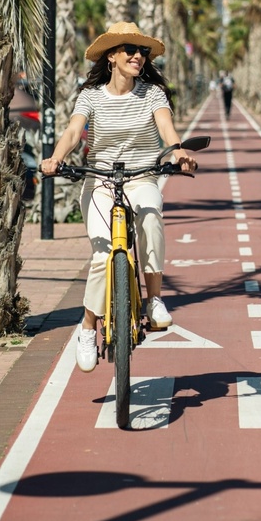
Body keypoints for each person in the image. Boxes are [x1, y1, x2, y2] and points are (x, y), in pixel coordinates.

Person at [41, 22, 197, 373]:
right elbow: (72, 130)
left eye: (142, 51)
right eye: (130, 50)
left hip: (141, 177)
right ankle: (86, 328)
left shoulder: (153, 93)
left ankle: (154, 300)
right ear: (112, 56)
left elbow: (167, 130)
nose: (138, 56)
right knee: (102, 256)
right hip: (99, 182)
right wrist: (56, 158)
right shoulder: (91, 96)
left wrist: (178, 153)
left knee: (152, 215)